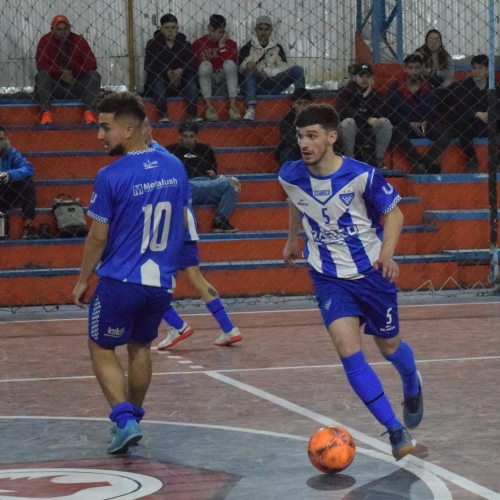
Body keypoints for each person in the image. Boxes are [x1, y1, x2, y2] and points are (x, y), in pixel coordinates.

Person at [279, 104, 423, 461]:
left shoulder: (363, 176)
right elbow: (296, 201)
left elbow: (395, 214)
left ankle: (411, 381)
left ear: (332, 137)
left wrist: (387, 255)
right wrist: (292, 237)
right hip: (328, 278)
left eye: (312, 136)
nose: (304, 143)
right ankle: (395, 432)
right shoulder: (289, 174)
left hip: (372, 275)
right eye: (300, 136)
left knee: (389, 347)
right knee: (347, 350)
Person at [72, 92, 190, 454]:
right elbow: (182, 223)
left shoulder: (111, 175)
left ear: (128, 129)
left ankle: (124, 421)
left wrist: (81, 279)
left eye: (105, 128)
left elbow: (98, 236)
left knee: (101, 345)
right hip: (161, 284)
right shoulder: (175, 167)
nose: (99, 136)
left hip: (122, 280)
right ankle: (134, 417)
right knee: (140, 348)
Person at [142, 119, 242, 347]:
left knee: (145, 282)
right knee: (195, 278)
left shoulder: (153, 158)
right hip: (184, 223)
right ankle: (229, 327)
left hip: (167, 225)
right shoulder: (168, 156)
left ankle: (176, 325)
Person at [167, 121, 240, 233]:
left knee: (233, 183)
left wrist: (213, 173)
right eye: (185, 136)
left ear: (196, 137)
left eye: (191, 136)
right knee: (178, 187)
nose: (188, 140)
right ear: (179, 136)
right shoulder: (170, 150)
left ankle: (220, 221)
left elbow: (214, 169)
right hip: (187, 185)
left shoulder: (205, 149)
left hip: (207, 183)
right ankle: (191, 222)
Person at [386, 54, 454, 174]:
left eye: (417, 68)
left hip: (425, 125)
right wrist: (409, 123)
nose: (414, 71)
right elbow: (391, 112)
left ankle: (425, 162)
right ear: (405, 68)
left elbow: (432, 109)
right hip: (404, 126)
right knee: (395, 133)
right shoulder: (395, 88)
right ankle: (418, 161)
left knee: (446, 132)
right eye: (411, 67)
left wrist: (425, 122)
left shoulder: (429, 88)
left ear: (421, 69)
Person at [35, 15, 101, 125]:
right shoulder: (45, 41)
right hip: (55, 87)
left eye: (65, 29)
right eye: (59, 29)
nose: (63, 32)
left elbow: (91, 62)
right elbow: (41, 64)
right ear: (52, 30)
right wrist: (60, 74)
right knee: (41, 76)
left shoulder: (79, 41)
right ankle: (46, 113)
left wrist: (74, 73)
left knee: (94, 76)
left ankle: (89, 112)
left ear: (69, 28)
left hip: (75, 84)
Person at [239, 15, 306, 121]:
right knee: (249, 71)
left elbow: (284, 66)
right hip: (257, 85)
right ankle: (251, 109)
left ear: (271, 31)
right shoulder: (247, 48)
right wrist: (248, 65)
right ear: (256, 29)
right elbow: (240, 69)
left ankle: (302, 105)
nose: (263, 32)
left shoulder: (277, 48)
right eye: (260, 29)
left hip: (275, 82)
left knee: (298, 70)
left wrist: (268, 73)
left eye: (266, 29)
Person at [144, 14, 200, 123]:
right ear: (161, 29)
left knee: (191, 78)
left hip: (181, 81)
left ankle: (192, 114)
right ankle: (163, 114)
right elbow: (149, 65)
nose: (170, 31)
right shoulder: (153, 44)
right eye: (167, 28)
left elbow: (191, 63)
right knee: (156, 78)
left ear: (177, 29)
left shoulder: (185, 44)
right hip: (162, 82)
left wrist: (181, 70)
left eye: (173, 28)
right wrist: (167, 71)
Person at [337, 63, 392, 170]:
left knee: (385, 122)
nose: (364, 79)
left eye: (368, 76)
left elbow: (381, 112)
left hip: (369, 129)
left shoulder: (376, 94)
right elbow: (344, 112)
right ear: (354, 78)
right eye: (361, 76)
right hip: (352, 128)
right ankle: (349, 160)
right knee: (348, 122)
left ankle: (378, 159)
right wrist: (366, 119)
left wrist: (367, 97)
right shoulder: (345, 92)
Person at [450, 54, 500, 173]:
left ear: (487, 70)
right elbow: (461, 106)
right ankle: (472, 161)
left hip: (490, 122)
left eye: (480, 68)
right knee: (460, 120)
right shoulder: (465, 85)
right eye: (474, 68)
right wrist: (477, 114)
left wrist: (491, 114)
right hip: (471, 123)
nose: (476, 72)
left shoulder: (495, 86)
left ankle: (498, 162)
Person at [192, 15, 242, 121]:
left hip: (225, 83)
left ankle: (233, 106)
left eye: (221, 32)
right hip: (208, 83)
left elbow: (232, 67)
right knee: (205, 65)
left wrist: (221, 45)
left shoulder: (231, 44)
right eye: (215, 31)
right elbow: (198, 68)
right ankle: (209, 107)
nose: (217, 35)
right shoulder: (198, 44)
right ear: (209, 27)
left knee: (229, 63)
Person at [0, 125, 38, 239]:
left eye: (1, 139)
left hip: (6, 193)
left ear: (5, 139)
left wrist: (10, 174)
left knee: (27, 181)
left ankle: (28, 226)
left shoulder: (11, 152)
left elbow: (29, 168)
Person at [277, 88, 312, 164]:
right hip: (295, 148)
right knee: (288, 153)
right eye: (299, 103)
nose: (302, 106)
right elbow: (288, 138)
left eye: (305, 103)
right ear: (293, 105)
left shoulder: (317, 117)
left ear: (310, 104)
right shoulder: (287, 118)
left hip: (313, 148)